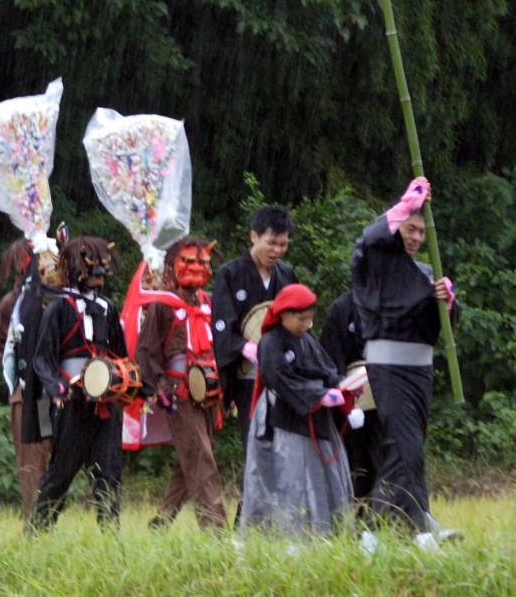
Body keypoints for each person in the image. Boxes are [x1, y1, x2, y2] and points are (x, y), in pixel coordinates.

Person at [351, 177, 461, 546]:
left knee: (407, 449)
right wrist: (404, 204)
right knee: (404, 447)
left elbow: (439, 328)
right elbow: (368, 239)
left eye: (420, 231)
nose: (414, 236)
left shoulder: (426, 273)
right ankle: (388, 528)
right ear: (397, 226)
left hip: (420, 368)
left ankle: (409, 528)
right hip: (389, 366)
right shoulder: (375, 259)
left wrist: (446, 301)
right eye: (408, 228)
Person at [237, 283, 356, 536]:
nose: (306, 325)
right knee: (288, 474)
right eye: (301, 319)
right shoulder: (271, 342)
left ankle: (326, 530)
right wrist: (318, 395)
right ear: (284, 315)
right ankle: (285, 533)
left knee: (323, 472)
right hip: (282, 416)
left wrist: (341, 386)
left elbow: (325, 368)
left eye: (310, 319)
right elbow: (277, 378)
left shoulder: (308, 340)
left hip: (315, 416)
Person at [25, 236, 126, 528]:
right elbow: (42, 358)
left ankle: (111, 539)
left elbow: (121, 355)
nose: (99, 274)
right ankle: (37, 531)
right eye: (91, 266)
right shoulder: (59, 307)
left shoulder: (108, 307)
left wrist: (131, 387)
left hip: (104, 401)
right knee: (61, 471)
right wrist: (56, 386)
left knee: (108, 470)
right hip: (72, 400)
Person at [130, 238, 227, 530]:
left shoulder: (210, 303)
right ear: (174, 265)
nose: (196, 267)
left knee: (196, 454)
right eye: (188, 261)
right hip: (178, 393)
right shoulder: (163, 304)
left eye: (202, 262)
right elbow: (146, 349)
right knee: (200, 456)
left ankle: (161, 520)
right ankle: (217, 532)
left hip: (209, 391)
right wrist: (158, 387)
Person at [212, 206, 298, 450]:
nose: (277, 250)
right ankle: (254, 488)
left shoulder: (286, 274)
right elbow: (221, 324)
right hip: (248, 371)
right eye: (271, 243)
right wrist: (246, 347)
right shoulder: (230, 273)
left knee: (284, 437)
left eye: (282, 245)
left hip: (282, 369)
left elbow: (299, 321)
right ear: (254, 236)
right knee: (255, 437)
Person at [0, 236, 57, 516]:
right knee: (32, 459)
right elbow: (3, 347)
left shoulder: (57, 298)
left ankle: (47, 516)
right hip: (25, 393)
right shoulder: (12, 303)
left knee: (51, 454)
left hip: (51, 392)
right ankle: (33, 521)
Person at [318, 287, 380, 516]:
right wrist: (343, 396)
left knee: (383, 458)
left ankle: (382, 517)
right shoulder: (341, 309)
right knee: (351, 460)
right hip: (350, 402)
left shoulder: (394, 304)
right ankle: (347, 517)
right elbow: (330, 361)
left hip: (386, 398)